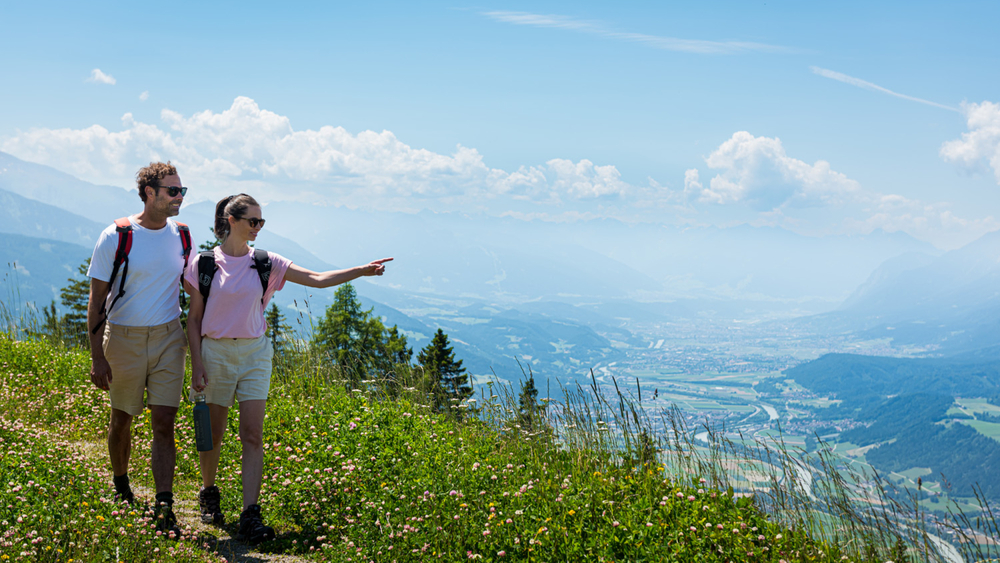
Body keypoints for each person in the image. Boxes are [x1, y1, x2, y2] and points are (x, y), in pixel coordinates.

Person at [183, 193, 391, 545]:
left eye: (261, 222)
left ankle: (250, 513)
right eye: (253, 221)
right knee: (213, 434)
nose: (259, 227)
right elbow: (193, 319)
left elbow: (317, 278)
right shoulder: (203, 263)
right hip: (214, 352)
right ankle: (209, 492)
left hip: (255, 354)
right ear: (232, 220)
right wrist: (197, 364)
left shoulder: (266, 261)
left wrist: (361, 270)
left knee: (252, 435)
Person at [86, 161, 191, 538]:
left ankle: (165, 505)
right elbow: (96, 301)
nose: (180, 197)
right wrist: (97, 356)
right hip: (124, 338)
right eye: (173, 191)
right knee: (123, 419)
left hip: (168, 338)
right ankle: (121, 486)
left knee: (164, 422)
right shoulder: (116, 235)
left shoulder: (182, 235)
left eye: (182, 191)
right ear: (150, 193)